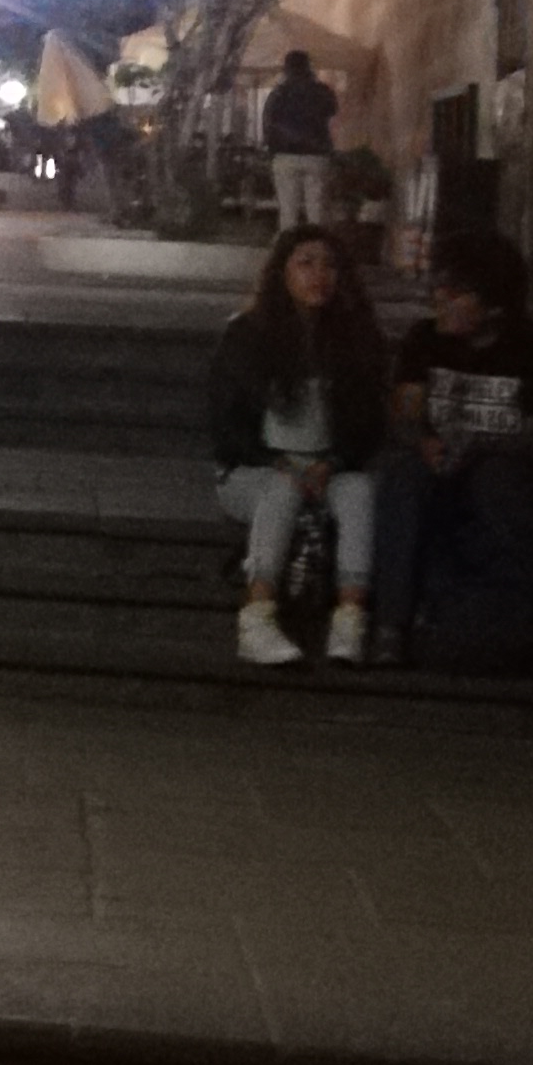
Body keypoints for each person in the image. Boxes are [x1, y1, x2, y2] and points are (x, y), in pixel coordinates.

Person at [373, 231, 533, 670]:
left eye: (457, 292)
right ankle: (392, 624)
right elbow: (404, 414)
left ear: (495, 306)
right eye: (439, 286)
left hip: (512, 475)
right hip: (439, 468)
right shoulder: (424, 340)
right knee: (403, 481)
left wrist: (481, 444)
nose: (439, 299)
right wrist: (422, 440)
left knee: (499, 482)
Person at [209, 225, 387, 668]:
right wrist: (280, 463)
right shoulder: (247, 334)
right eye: (306, 263)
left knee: (359, 492)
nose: (319, 275)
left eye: (329, 265)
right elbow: (226, 425)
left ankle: (350, 619)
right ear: (282, 272)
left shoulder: (356, 337)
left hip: (326, 468)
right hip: (255, 468)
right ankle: (257, 617)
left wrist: (335, 461)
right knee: (281, 489)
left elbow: (369, 423)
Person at [262, 48, 339, 235]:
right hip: (317, 155)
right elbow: (332, 111)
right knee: (317, 212)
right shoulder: (322, 91)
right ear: (308, 66)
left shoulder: (278, 93)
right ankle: (317, 246)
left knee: (288, 213)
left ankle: (289, 248)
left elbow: (268, 124)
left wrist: (271, 150)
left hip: (285, 156)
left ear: (286, 68)